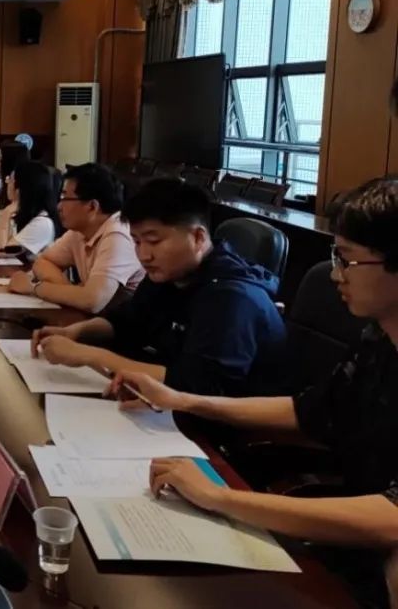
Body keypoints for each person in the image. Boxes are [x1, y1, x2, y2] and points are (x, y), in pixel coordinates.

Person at [110, 177, 398, 608]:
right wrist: (182, 399)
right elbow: (308, 411)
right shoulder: (378, 339)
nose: (335, 273)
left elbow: (392, 517)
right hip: (353, 531)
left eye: (348, 258)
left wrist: (222, 498)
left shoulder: (231, 294)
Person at [33, 178, 290, 397]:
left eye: (154, 241)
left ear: (198, 237)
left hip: (226, 429)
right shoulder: (170, 273)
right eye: (136, 242)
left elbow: (198, 386)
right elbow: (127, 321)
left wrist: (89, 356)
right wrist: (76, 332)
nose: (144, 255)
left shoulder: (232, 298)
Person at [0, 162, 144, 313]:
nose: (59, 206)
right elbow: (43, 262)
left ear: (92, 206)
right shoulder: (79, 231)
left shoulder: (118, 235)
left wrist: (34, 288)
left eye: (64, 198)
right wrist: (71, 293)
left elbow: (92, 301)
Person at [0, 161, 59, 255]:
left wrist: (6, 214)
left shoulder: (42, 223)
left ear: (20, 188)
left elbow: (0, 253)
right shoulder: (26, 213)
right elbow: (13, 243)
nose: (7, 182)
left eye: (10, 179)